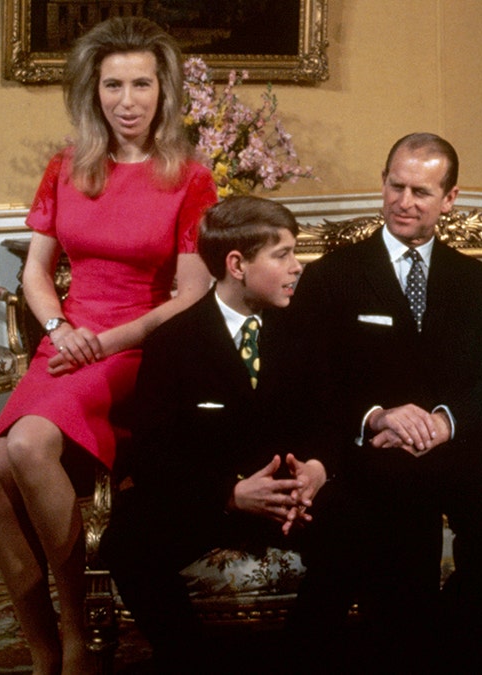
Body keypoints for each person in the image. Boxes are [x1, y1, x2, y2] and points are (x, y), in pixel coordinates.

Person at [0, 17, 217, 674]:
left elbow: (190, 295)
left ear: (164, 92)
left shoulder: (189, 177)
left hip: (138, 348)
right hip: (70, 341)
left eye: (142, 83)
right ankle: (42, 646)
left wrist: (101, 341)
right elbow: (34, 269)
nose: (128, 100)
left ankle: (78, 628)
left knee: (25, 445)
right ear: (95, 90)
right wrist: (60, 329)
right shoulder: (66, 167)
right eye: (114, 84)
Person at [283, 133, 482, 673]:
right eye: (396, 186)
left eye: (421, 192)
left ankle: (455, 648)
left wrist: (446, 423)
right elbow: (312, 382)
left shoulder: (475, 281)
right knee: (399, 508)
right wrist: (377, 415)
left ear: (449, 199)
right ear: (383, 184)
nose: (405, 201)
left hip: (453, 442)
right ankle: (409, 651)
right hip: (372, 446)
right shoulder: (333, 276)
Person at [99, 196, 322, 672]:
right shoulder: (174, 343)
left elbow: (329, 419)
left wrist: (316, 472)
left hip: (294, 500)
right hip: (214, 504)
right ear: (236, 264)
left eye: (294, 253)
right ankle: (189, 660)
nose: (297, 267)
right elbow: (154, 456)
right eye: (281, 255)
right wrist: (231, 494)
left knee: (372, 517)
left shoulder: (307, 330)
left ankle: (301, 657)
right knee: (127, 539)